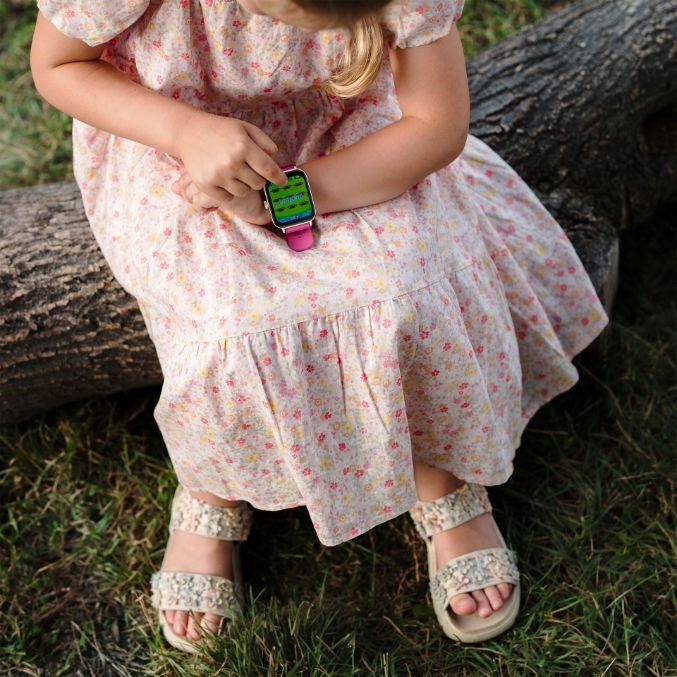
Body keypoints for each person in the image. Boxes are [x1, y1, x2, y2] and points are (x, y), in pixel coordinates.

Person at [30, 0, 609, 653]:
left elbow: (434, 126)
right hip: (175, 149)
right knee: (226, 327)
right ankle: (215, 484)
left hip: (349, 142)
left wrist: (288, 197)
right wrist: (184, 129)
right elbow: (56, 66)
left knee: (409, 287)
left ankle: (441, 471)